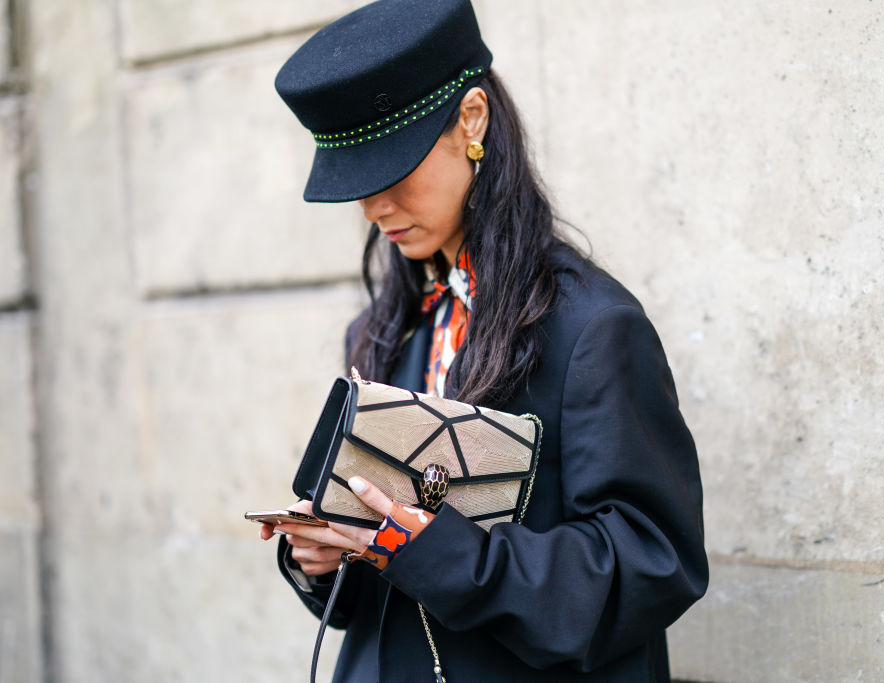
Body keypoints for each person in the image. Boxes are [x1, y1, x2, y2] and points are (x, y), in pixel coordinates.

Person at [259, 0, 708, 680]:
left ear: (471, 118)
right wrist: (330, 553)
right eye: (357, 184)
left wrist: (440, 551)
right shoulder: (387, 325)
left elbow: (651, 563)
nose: (376, 207)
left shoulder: (593, 326)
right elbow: (378, 594)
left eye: (393, 170)